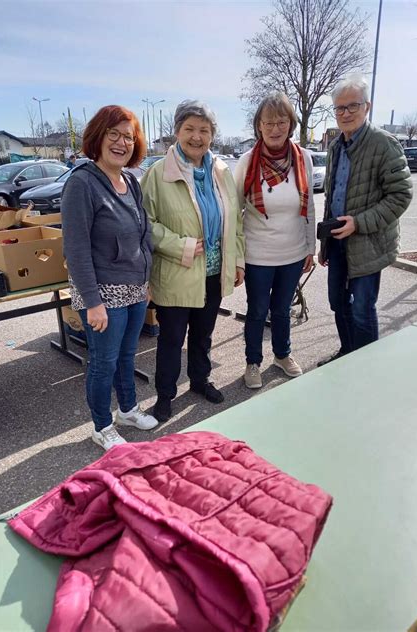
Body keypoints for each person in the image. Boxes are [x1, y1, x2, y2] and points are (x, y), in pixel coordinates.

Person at [140, 100, 245, 423]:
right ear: (176, 132)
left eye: (204, 130)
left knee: (203, 334)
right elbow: (145, 223)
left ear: (213, 135)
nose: (197, 137)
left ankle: (200, 381)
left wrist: (237, 260)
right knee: (171, 339)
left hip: (214, 271)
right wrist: (179, 245)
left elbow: (236, 220)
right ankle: (165, 396)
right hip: (176, 271)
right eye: (190, 129)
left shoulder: (221, 171)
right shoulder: (158, 174)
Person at [61, 105, 158, 450]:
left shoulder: (130, 181)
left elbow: (142, 232)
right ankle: (101, 425)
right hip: (103, 294)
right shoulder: (82, 183)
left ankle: (128, 410)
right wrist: (92, 302)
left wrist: (145, 282)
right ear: (98, 138)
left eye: (128, 137)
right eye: (113, 134)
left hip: (133, 289)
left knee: (127, 356)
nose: (121, 143)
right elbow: (76, 249)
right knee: (104, 362)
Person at [317, 75, 412, 366]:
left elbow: (400, 195)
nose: (345, 113)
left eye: (352, 106)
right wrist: (325, 242)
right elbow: (332, 197)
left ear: (367, 106)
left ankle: (366, 370)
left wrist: (358, 222)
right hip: (337, 242)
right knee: (337, 303)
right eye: (339, 108)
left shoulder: (384, 144)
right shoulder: (335, 147)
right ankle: (348, 356)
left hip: (367, 243)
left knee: (361, 308)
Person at [234, 92, 315, 389]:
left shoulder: (302, 157)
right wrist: (237, 258)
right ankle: (252, 362)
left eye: (281, 122)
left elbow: (309, 205)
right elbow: (235, 212)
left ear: (290, 124)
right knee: (257, 311)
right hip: (258, 255)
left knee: (282, 309)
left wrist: (310, 247)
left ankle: (282, 355)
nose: (275, 128)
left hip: (293, 253)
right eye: (268, 123)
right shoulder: (246, 162)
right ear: (259, 126)